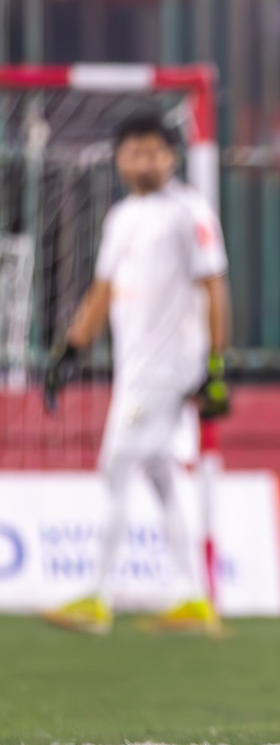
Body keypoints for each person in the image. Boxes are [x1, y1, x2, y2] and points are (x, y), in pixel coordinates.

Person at [43, 111, 230, 637]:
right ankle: (194, 597)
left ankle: (97, 597)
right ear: (119, 159)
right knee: (162, 476)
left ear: (171, 157)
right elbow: (104, 289)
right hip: (134, 366)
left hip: (167, 369)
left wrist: (217, 364)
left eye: (154, 151)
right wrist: (71, 349)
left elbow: (215, 286)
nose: (144, 160)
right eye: (134, 151)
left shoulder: (189, 211)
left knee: (115, 466)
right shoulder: (122, 216)